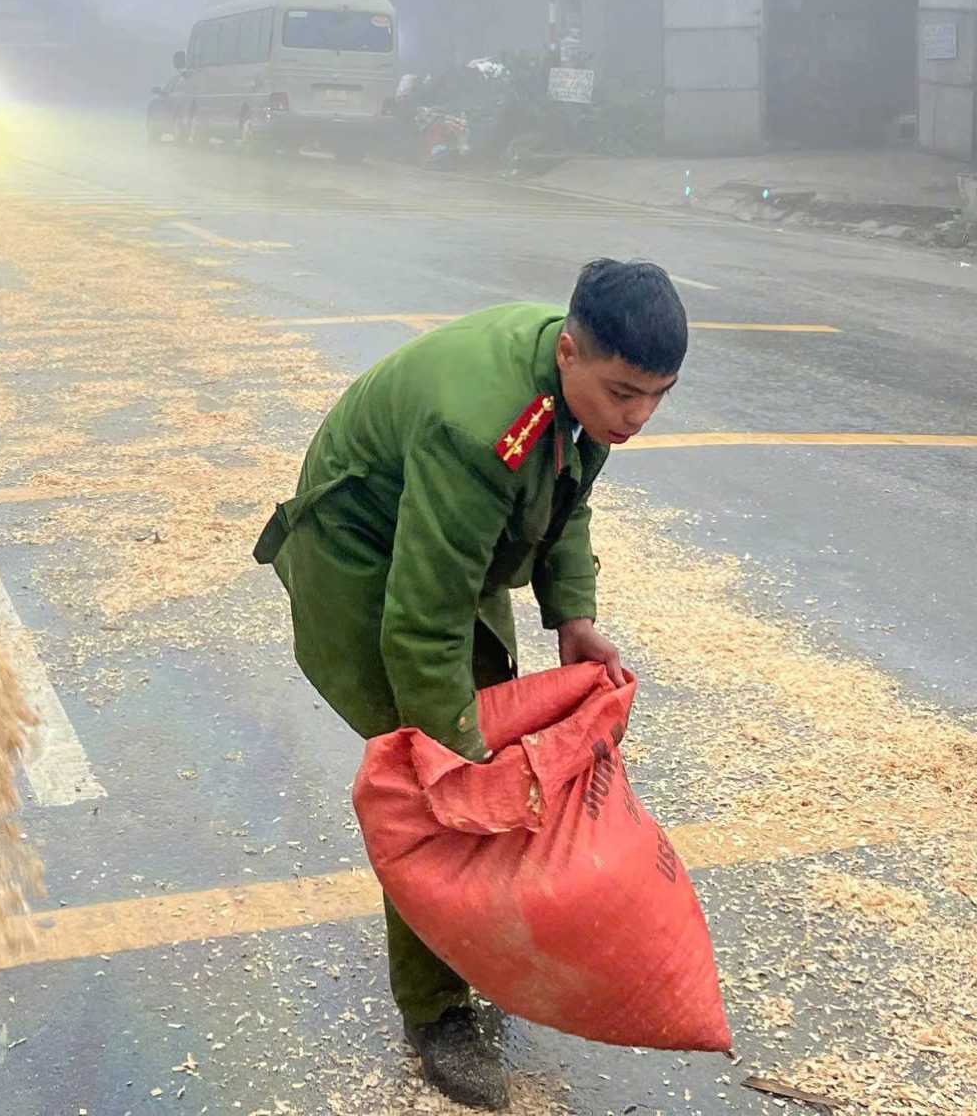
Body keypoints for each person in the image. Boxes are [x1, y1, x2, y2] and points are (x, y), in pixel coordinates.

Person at [253, 260, 687, 1110]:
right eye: (626, 394)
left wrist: (572, 613)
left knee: (481, 761)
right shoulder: (479, 426)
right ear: (568, 352)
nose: (638, 417)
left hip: (448, 541)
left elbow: (565, 492)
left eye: (659, 396)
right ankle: (437, 1013)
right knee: (437, 790)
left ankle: (471, 941)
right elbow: (420, 623)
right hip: (363, 561)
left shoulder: (575, 388)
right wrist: (457, 762)